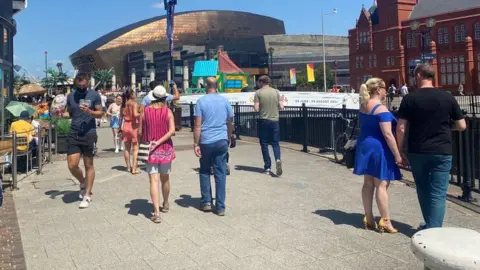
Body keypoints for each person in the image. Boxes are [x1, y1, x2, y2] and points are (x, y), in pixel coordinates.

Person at [396, 64, 466, 230]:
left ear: (419, 75)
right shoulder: (447, 97)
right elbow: (462, 125)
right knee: (438, 193)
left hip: (418, 150)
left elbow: (401, 128)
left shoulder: (410, 99)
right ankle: (432, 227)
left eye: (414, 76)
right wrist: (449, 128)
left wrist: (400, 150)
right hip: (442, 151)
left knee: (423, 189)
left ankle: (431, 227)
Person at [354, 78, 402, 234]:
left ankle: (368, 218)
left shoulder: (363, 106)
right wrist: (397, 155)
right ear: (379, 90)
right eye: (385, 88)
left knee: (368, 183)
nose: (386, 91)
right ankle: (385, 220)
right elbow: (388, 134)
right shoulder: (381, 109)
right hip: (379, 149)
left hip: (365, 146)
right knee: (381, 184)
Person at [194, 77, 234, 216]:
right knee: (220, 172)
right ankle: (221, 206)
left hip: (206, 140)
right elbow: (230, 122)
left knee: (204, 170)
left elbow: (198, 125)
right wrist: (229, 137)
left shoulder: (201, 102)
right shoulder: (224, 101)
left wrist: (196, 143)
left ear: (206, 86)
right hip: (221, 139)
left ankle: (206, 202)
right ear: (217, 86)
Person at [66, 73, 103, 209]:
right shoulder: (71, 95)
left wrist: (90, 112)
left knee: (89, 165)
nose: (81, 87)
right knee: (72, 165)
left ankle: (87, 196)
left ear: (87, 83)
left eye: (84, 85)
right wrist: (59, 114)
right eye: (79, 85)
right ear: (76, 82)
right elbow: (69, 112)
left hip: (89, 133)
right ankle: (82, 181)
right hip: (74, 133)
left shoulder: (94, 95)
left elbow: (101, 113)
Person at [141, 85, 176, 223]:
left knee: (153, 180)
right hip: (165, 148)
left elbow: (140, 131)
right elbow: (172, 131)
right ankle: (165, 203)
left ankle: (156, 212)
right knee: (165, 178)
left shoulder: (145, 111)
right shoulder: (168, 112)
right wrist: (160, 141)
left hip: (150, 149)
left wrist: (148, 142)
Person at [253, 75, 284, 176]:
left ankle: (267, 167)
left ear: (261, 82)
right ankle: (278, 159)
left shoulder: (258, 93)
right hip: (275, 120)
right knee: (275, 143)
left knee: (264, 144)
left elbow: (256, 108)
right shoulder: (276, 92)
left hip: (264, 120)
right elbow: (281, 107)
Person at [120, 90, 140, 174]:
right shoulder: (134, 104)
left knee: (127, 148)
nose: (135, 94)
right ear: (131, 95)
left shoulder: (123, 105)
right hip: (133, 125)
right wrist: (142, 112)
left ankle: (128, 167)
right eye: (134, 93)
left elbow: (121, 117)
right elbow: (135, 115)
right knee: (135, 148)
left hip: (125, 126)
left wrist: (119, 128)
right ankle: (134, 168)